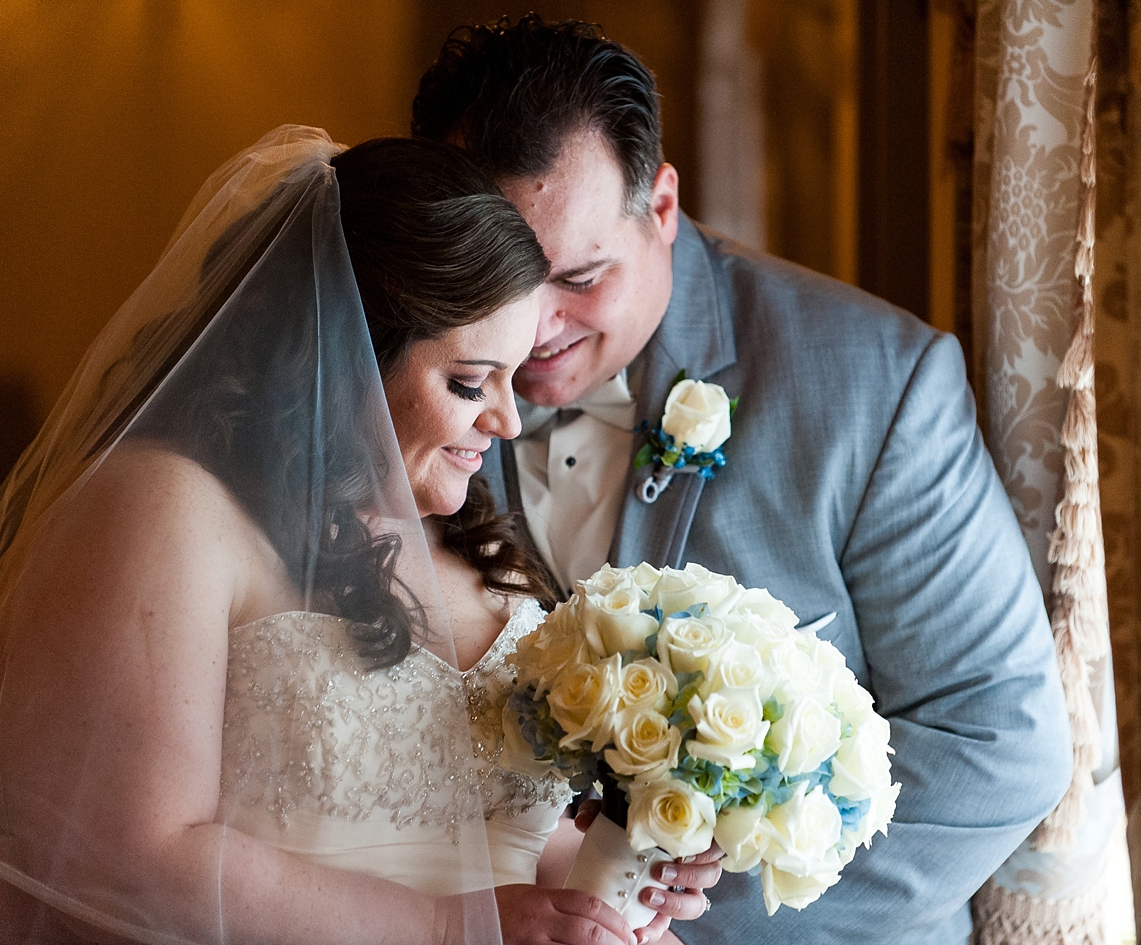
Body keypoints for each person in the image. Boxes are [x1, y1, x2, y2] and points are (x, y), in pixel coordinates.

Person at [0, 126, 718, 945]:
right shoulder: (160, 509)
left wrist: (625, 870)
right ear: (340, 349)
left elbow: (509, 841)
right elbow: (115, 854)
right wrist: (450, 932)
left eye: (512, 378)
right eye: (466, 381)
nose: (508, 420)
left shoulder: (478, 553)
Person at [411, 16, 1074, 944]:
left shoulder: (877, 388)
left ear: (665, 206)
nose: (534, 326)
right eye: (498, 281)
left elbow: (998, 746)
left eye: (581, 277)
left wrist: (655, 923)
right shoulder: (394, 388)